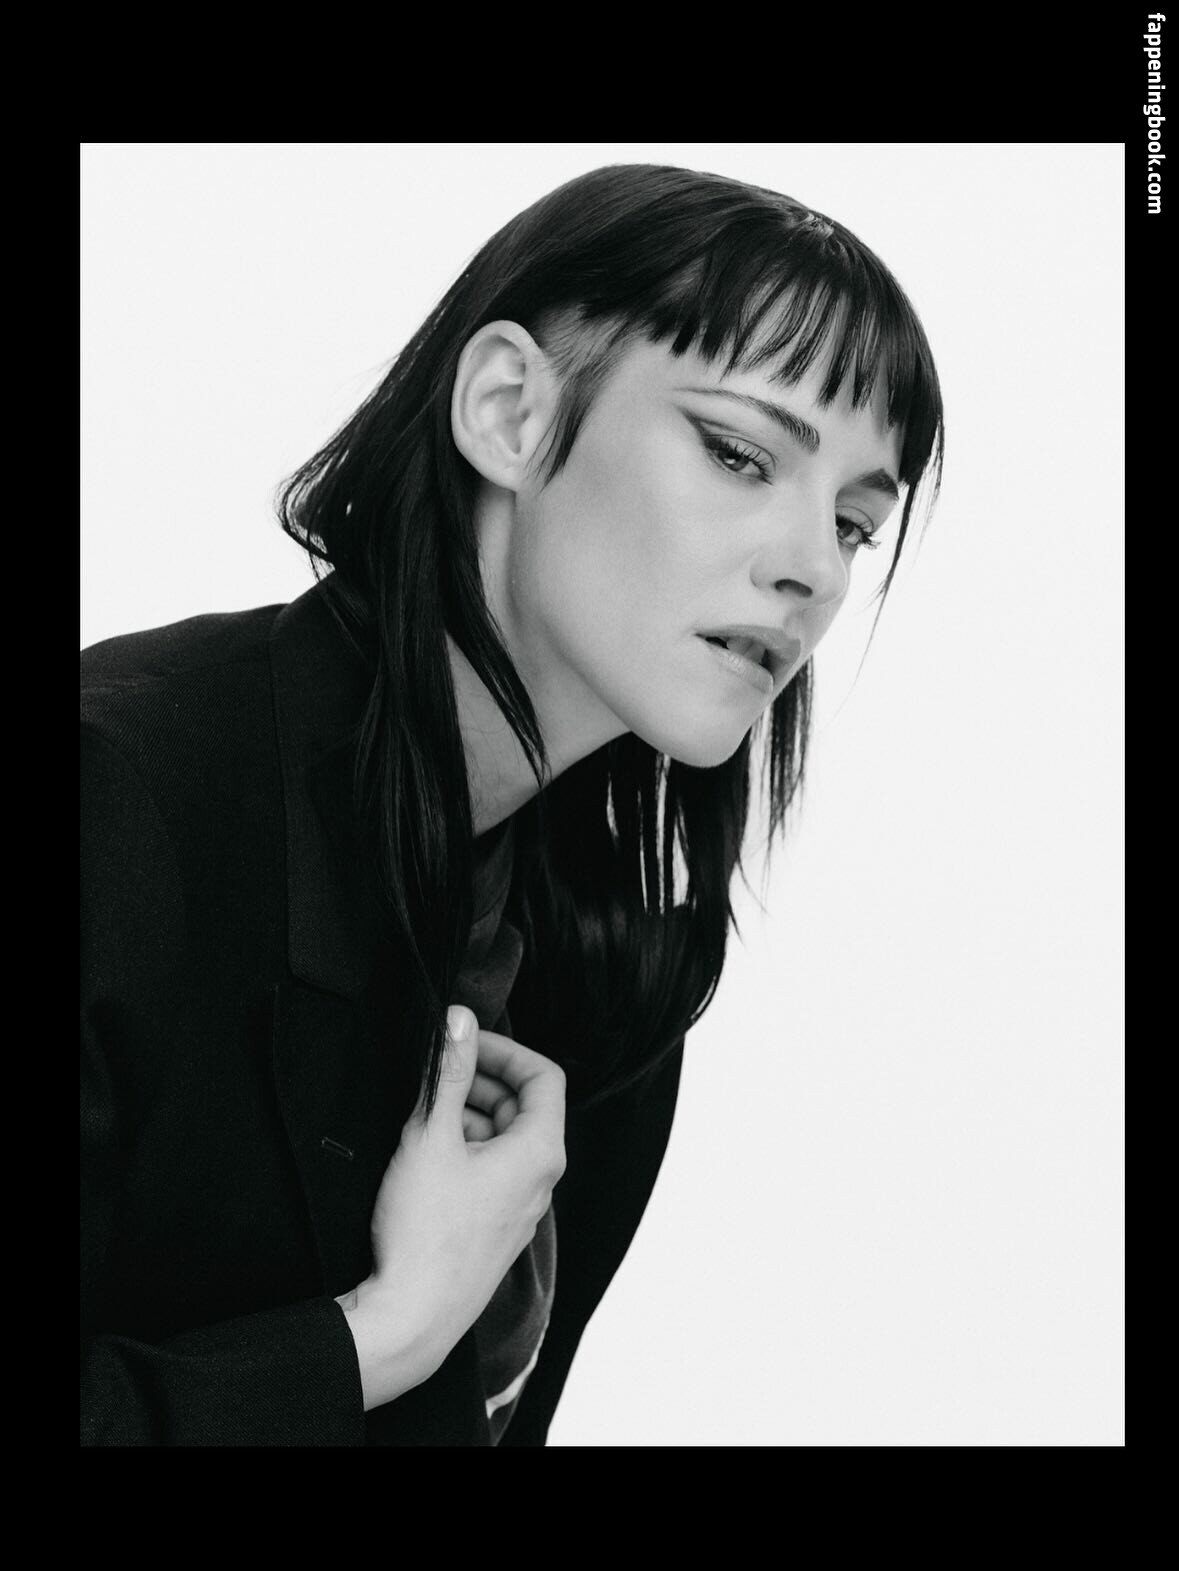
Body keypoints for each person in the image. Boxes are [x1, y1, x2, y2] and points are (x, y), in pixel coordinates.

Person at [80, 162, 945, 1446]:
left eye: (858, 523)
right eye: (739, 452)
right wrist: (383, 1334)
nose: (814, 568)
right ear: (508, 411)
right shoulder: (123, 797)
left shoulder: (612, 966)